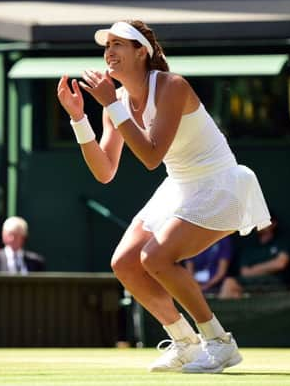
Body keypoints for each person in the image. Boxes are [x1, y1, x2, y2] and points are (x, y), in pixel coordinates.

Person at [56, 20, 270, 373]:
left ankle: (219, 342)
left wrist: (111, 103)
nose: (109, 52)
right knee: (124, 262)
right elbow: (105, 171)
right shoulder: (118, 102)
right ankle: (184, 342)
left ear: (142, 51)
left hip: (218, 183)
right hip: (179, 185)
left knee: (154, 257)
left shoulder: (172, 86)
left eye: (118, 44)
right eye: (106, 45)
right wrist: (80, 118)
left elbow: (152, 156)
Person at [219, 217, 290, 298]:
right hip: (251, 283)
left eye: (263, 220)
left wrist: (254, 269)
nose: (259, 224)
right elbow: (245, 272)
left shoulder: (282, 241)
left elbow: (280, 264)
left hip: (277, 282)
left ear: (273, 223)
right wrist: (269, 266)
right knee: (230, 284)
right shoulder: (250, 245)